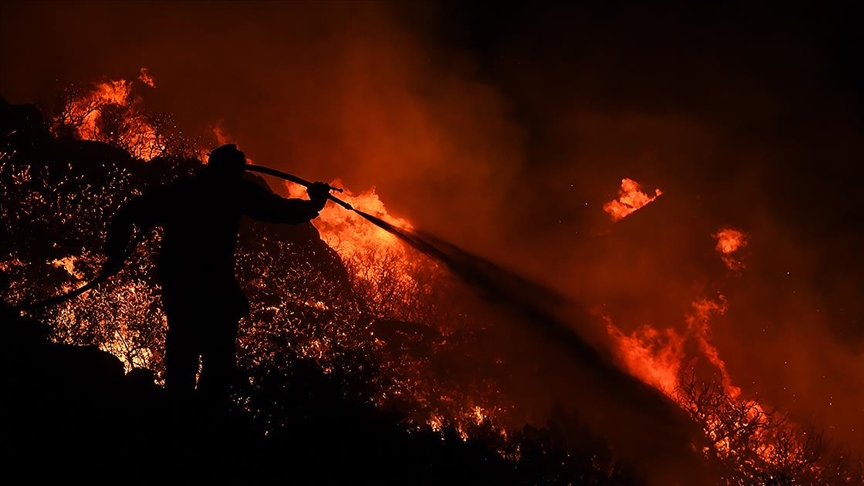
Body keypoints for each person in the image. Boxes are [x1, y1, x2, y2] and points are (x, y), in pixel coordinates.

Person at [102, 144, 331, 406]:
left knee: (183, 352)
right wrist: (314, 204)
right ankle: (204, 420)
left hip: (181, 283)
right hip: (211, 287)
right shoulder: (233, 191)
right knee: (216, 358)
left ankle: (180, 414)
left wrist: (115, 254)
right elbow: (276, 210)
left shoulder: (184, 191)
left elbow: (129, 212)